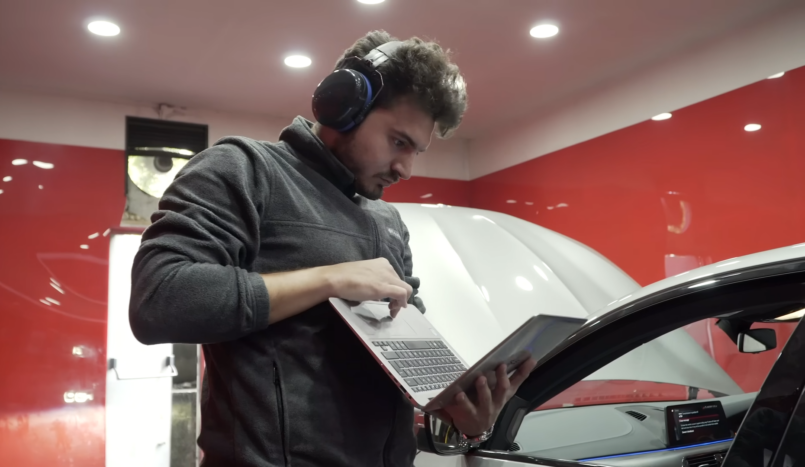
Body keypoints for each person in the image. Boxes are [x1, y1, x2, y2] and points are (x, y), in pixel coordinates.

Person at [129, 30, 535, 467]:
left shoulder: (389, 223)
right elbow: (160, 299)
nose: (406, 168)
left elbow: (396, 356)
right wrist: (330, 278)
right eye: (398, 142)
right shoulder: (244, 169)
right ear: (344, 106)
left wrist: (456, 412)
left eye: (416, 151)